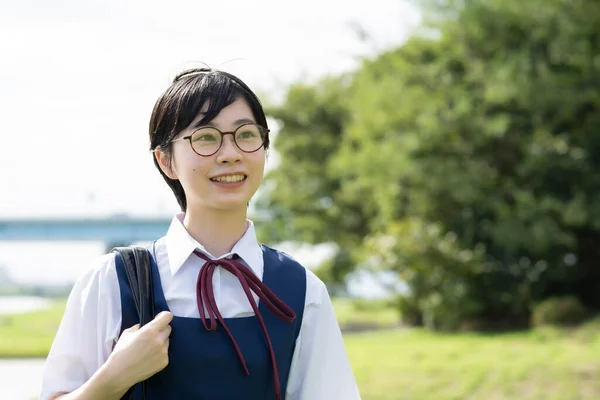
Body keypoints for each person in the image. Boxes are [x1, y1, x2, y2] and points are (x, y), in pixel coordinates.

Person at [40, 68, 361, 400]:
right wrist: (113, 378)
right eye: (206, 137)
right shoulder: (111, 281)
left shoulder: (300, 290)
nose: (231, 153)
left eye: (246, 134)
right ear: (166, 161)